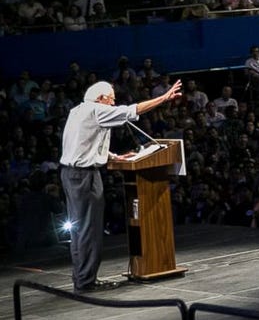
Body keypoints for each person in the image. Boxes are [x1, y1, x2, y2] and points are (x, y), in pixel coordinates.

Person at [60, 79, 182, 293]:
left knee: (81, 230)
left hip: (72, 173)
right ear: (100, 99)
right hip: (83, 176)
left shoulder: (77, 111)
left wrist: (113, 156)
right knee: (89, 229)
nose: (113, 105)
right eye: (111, 100)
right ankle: (86, 281)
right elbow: (131, 111)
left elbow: (84, 142)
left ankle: (82, 277)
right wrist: (164, 98)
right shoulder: (96, 110)